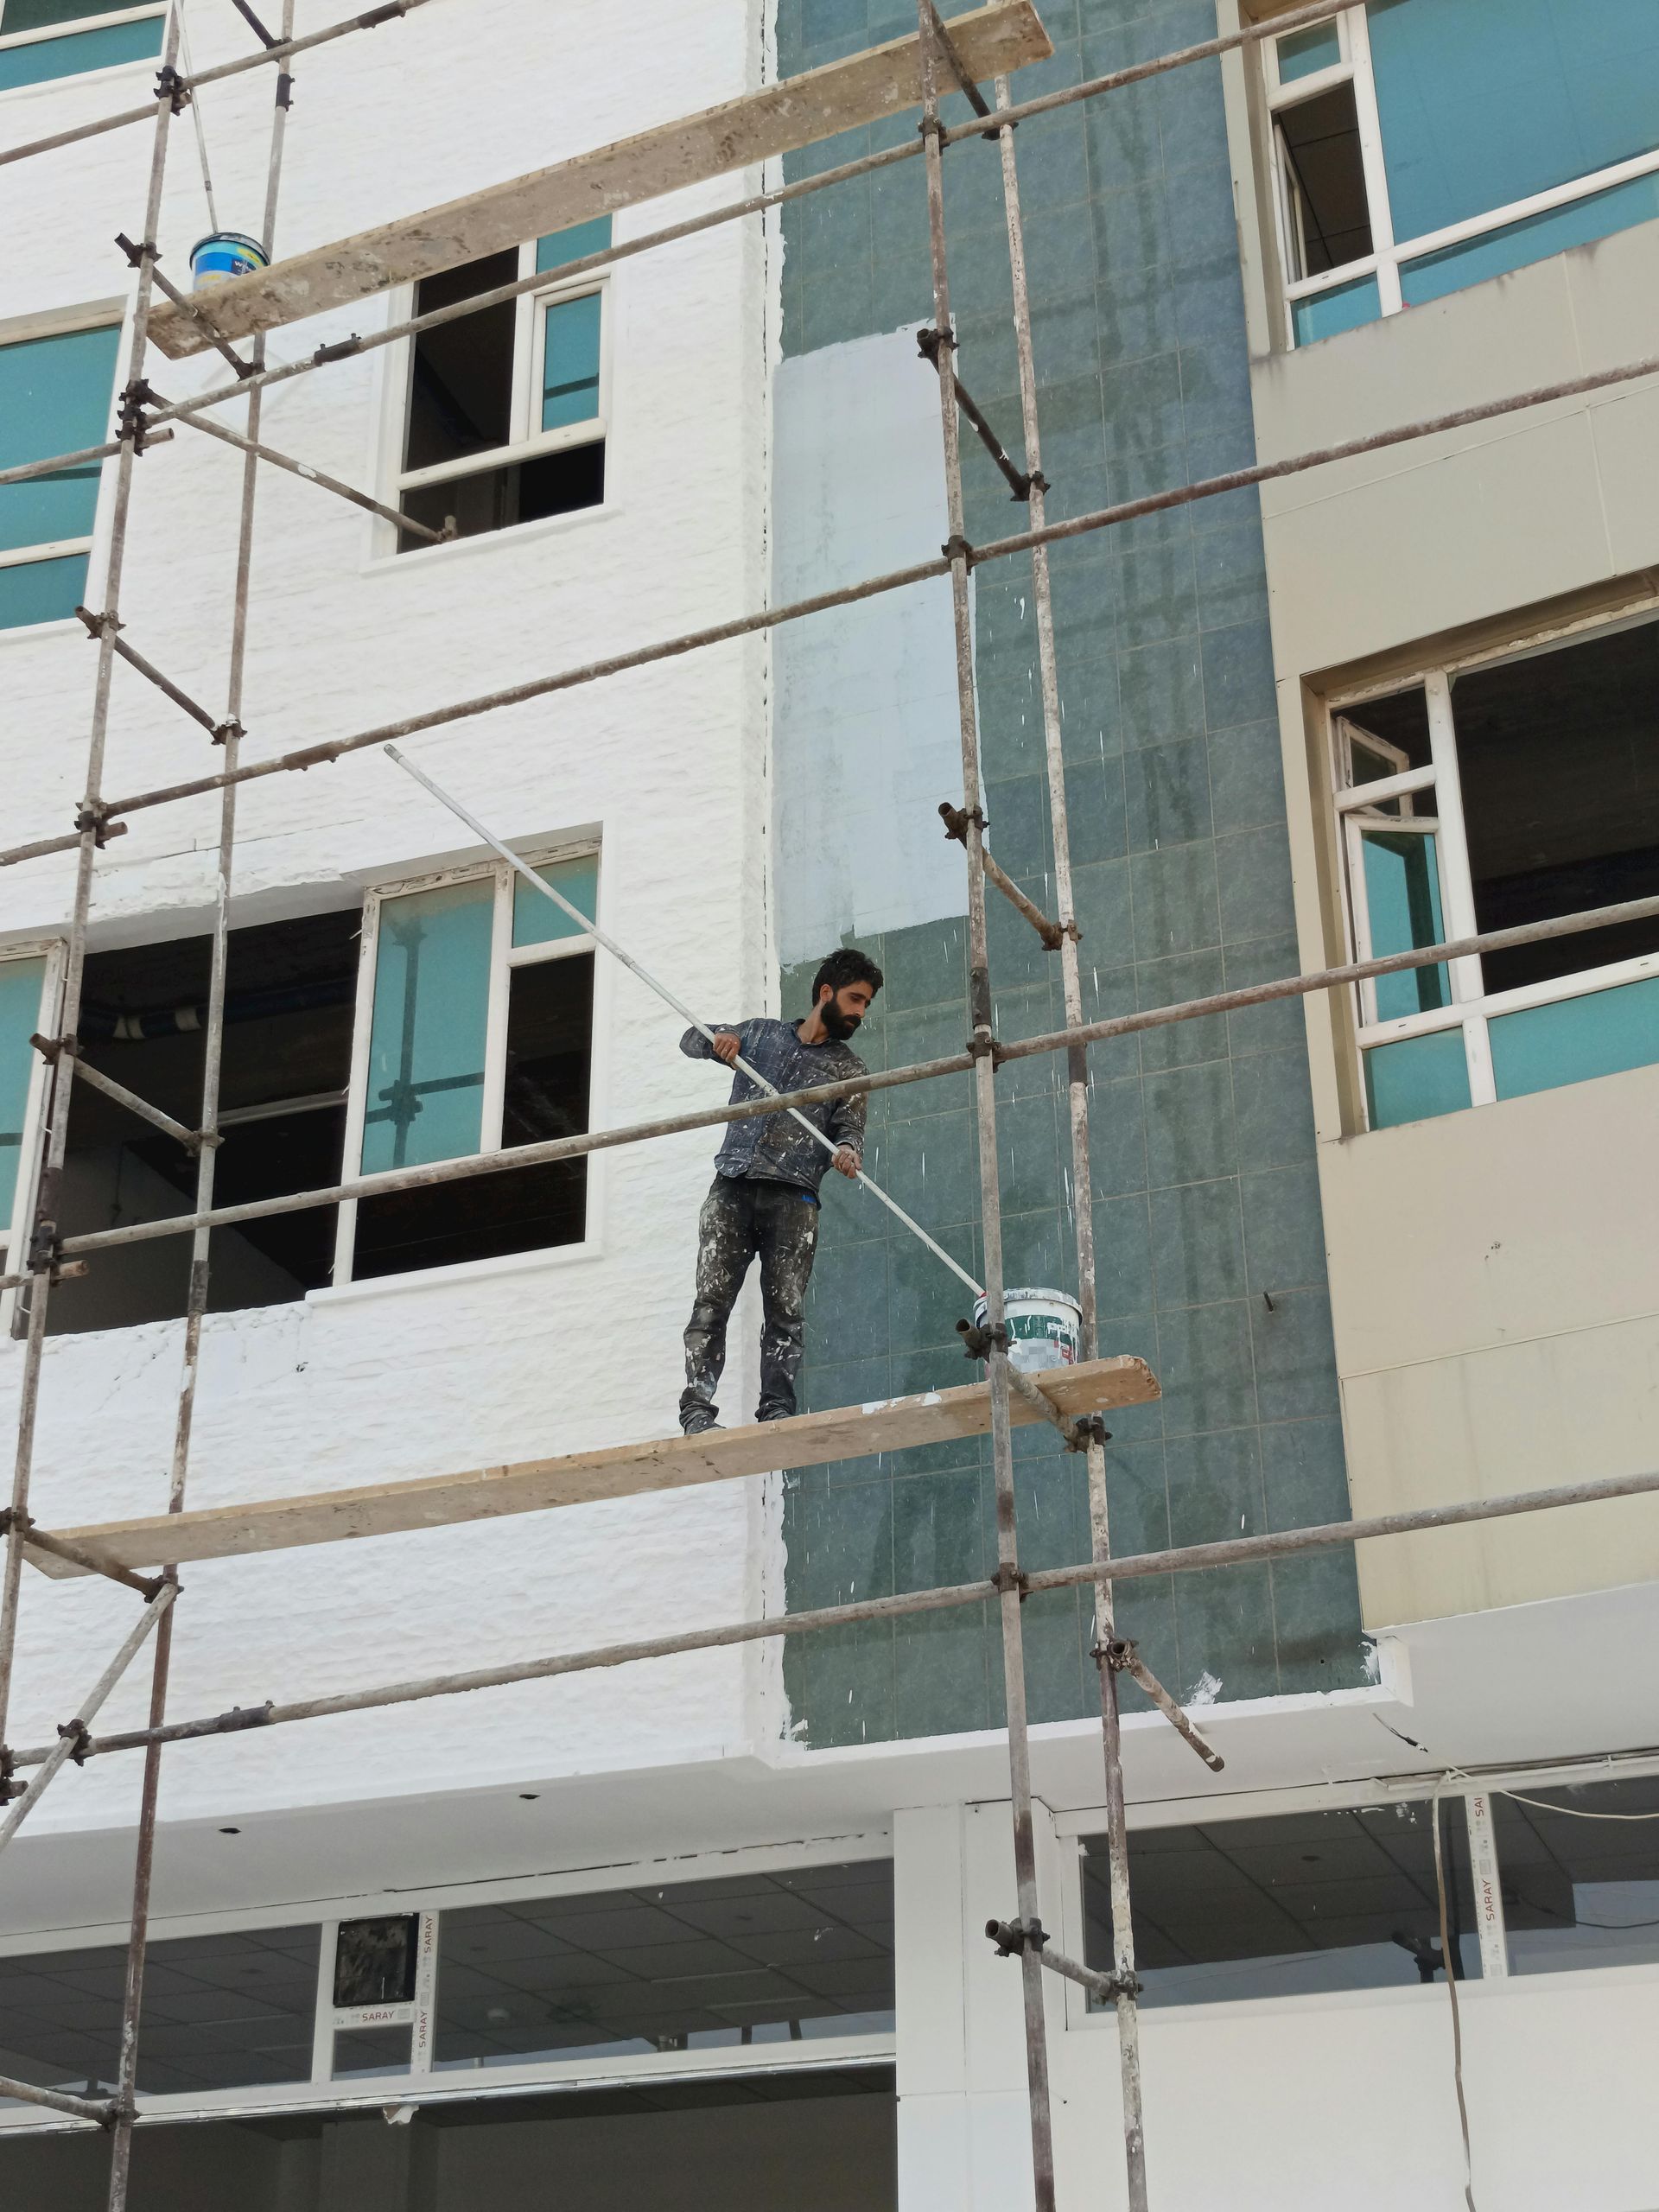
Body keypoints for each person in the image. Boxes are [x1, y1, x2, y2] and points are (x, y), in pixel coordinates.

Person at [678, 949, 883, 1434]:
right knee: (710, 1304)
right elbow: (689, 1039)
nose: (860, 1012)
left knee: (785, 1312)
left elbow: (849, 1132)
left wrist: (849, 1153)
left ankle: (776, 1412)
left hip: (794, 1199)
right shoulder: (762, 1035)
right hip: (732, 1186)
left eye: (866, 1005)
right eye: (855, 999)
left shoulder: (849, 1071)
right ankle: (696, 1411)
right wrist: (719, 1042)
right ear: (826, 993)